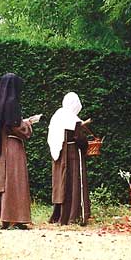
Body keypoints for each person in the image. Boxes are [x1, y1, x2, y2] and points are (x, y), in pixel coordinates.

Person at [0, 73, 33, 230]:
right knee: (15, 182)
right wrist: (28, 124)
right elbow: (16, 127)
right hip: (12, 147)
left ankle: (4, 220)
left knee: (3, 182)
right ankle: (16, 219)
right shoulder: (11, 102)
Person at [47, 92, 92, 225]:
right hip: (72, 154)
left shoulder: (57, 115)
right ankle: (73, 215)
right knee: (74, 182)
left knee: (62, 182)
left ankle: (59, 215)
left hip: (59, 155)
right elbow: (80, 138)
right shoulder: (73, 119)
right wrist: (86, 145)